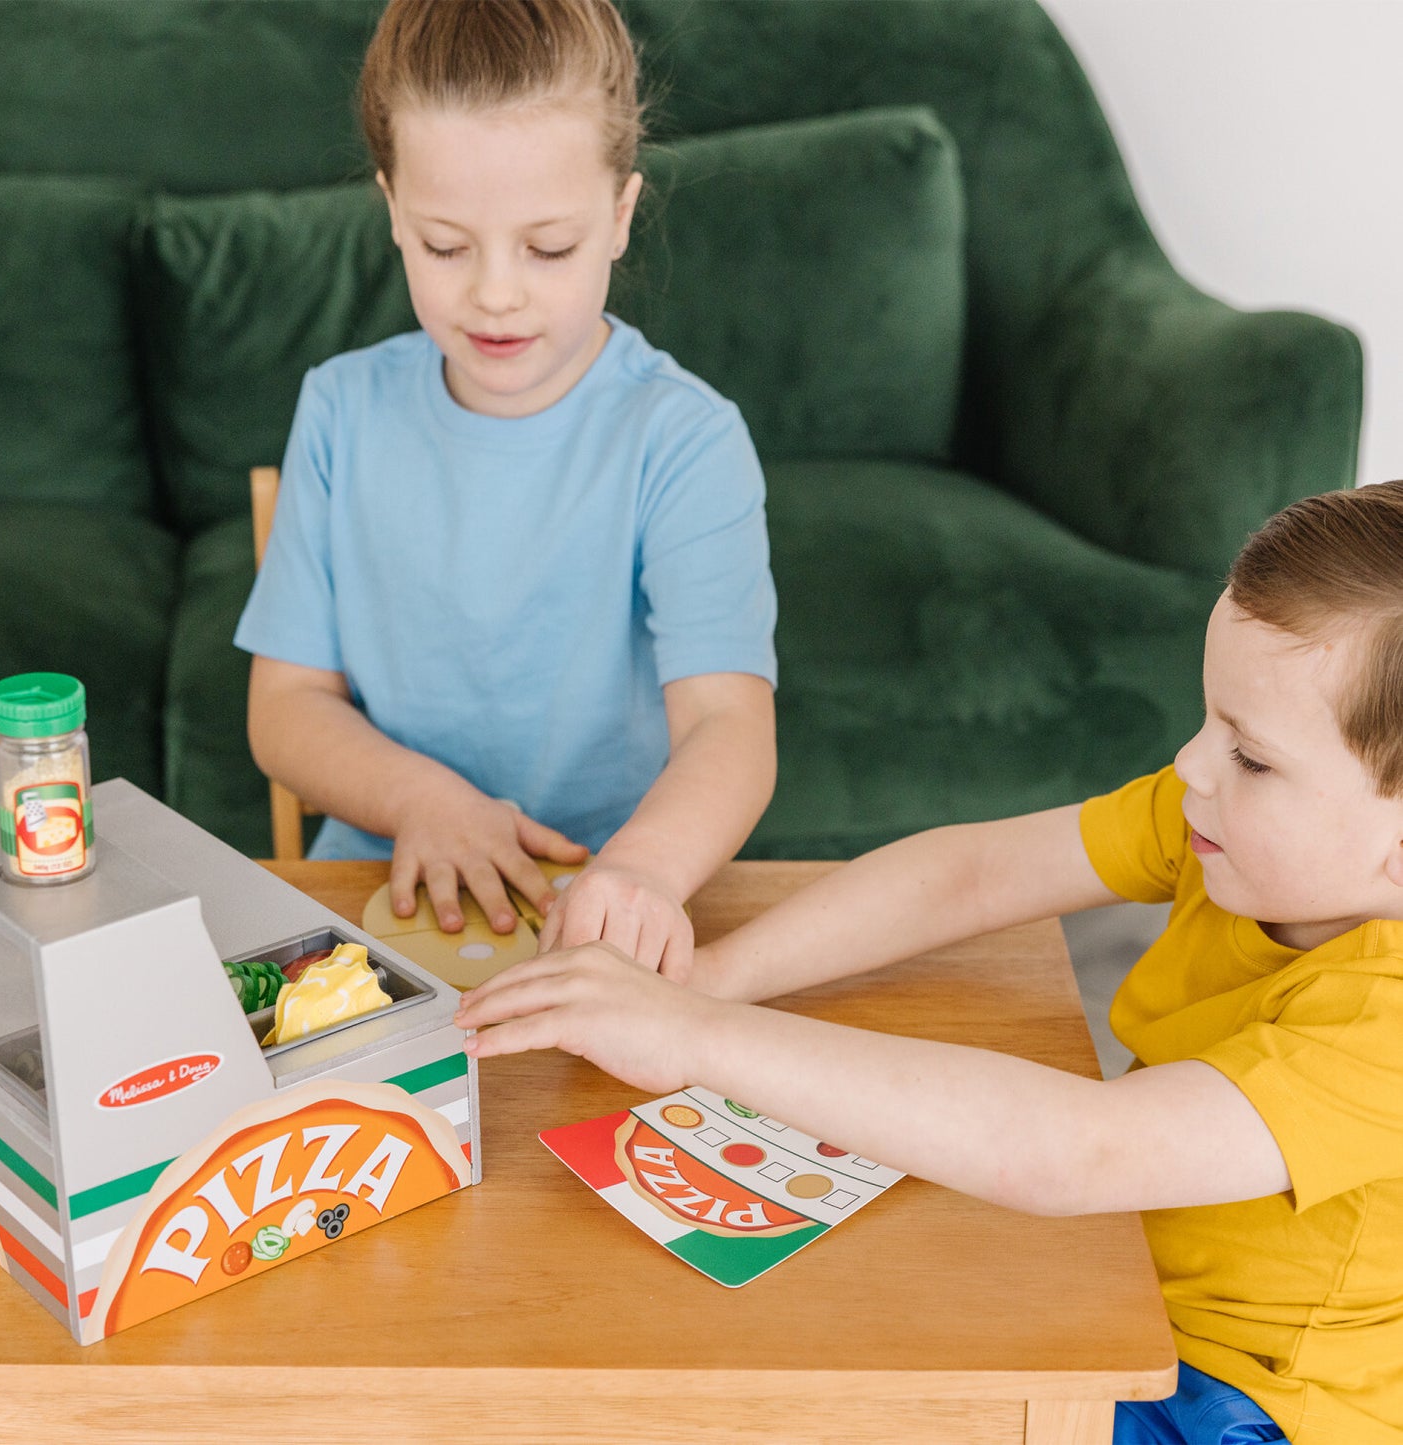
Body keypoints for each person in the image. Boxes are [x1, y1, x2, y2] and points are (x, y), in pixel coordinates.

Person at [456, 479, 1403, 1445]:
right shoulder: (1228, 829)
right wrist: (712, 978)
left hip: (1239, 1401)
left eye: (1250, 757)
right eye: (1208, 719)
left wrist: (696, 1034)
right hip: (1118, 1278)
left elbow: (1076, 1150)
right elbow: (968, 873)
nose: (1191, 765)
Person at [235, 0, 777, 978]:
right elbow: (284, 705)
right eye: (446, 245)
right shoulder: (340, 410)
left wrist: (642, 874)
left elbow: (727, 724)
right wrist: (423, 803)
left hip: (603, 908)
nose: (494, 293)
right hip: (373, 901)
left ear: (618, 216)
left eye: (548, 247)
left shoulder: (683, 438)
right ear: (393, 206)